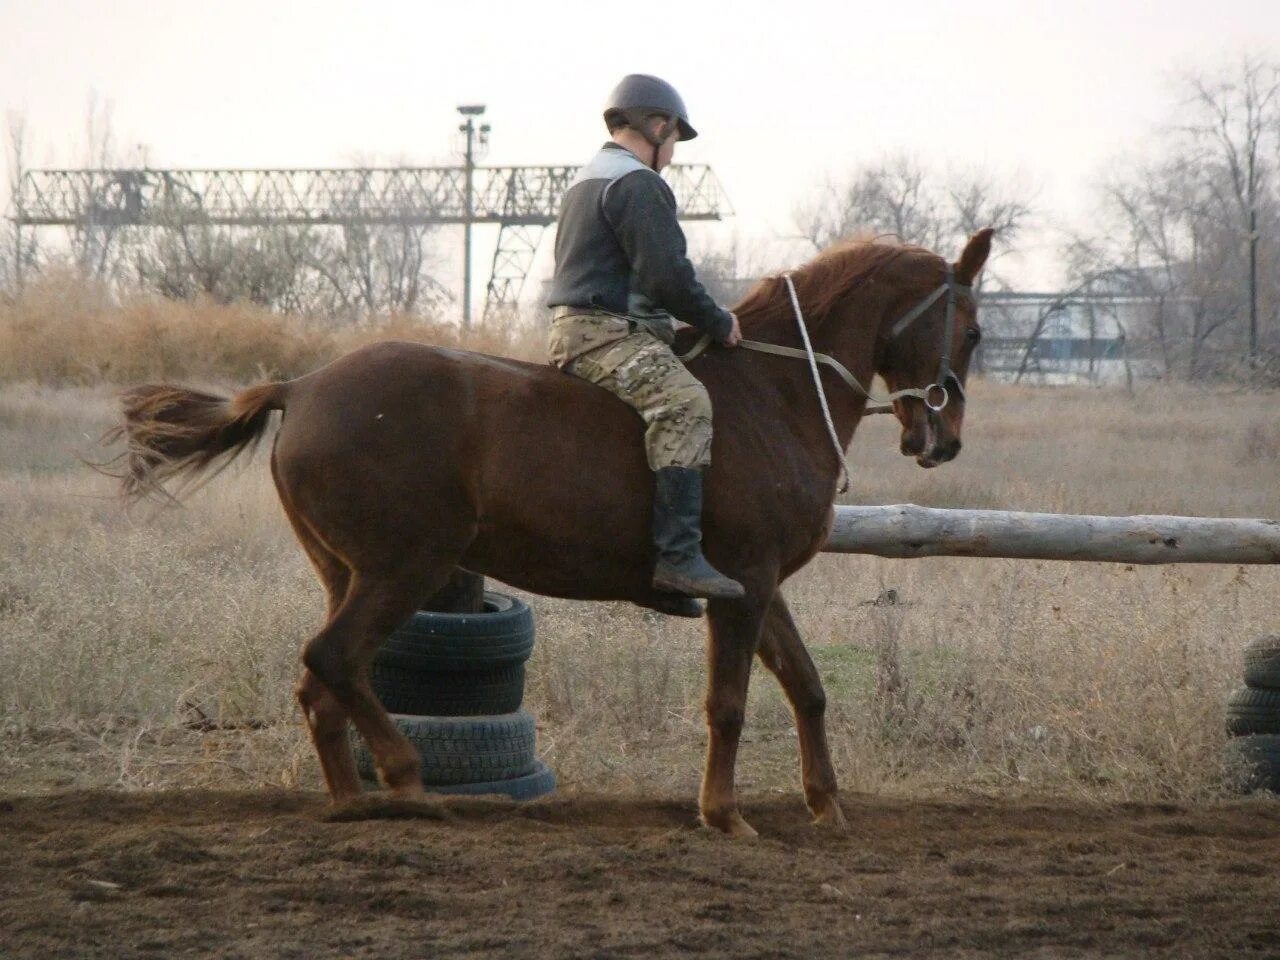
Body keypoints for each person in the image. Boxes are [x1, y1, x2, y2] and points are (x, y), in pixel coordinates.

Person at [546, 74, 744, 605]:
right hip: (604, 336)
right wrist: (718, 320)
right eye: (675, 139)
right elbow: (667, 278)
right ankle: (678, 558)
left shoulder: (587, 179)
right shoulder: (638, 183)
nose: (673, 152)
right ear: (658, 126)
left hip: (586, 329)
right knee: (685, 402)